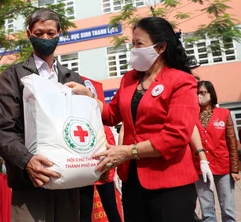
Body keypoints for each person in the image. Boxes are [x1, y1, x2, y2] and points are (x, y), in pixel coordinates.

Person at [67, 16, 200, 222]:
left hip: (170, 183)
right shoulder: (129, 79)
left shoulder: (181, 81)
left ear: (161, 47)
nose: (134, 50)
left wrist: (129, 151)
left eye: (140, 44)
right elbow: (112, 114)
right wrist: (89, 97)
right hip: (133, 181)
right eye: (133, 44)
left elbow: (176, 136)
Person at [0, 8, 88, 222]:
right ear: (29, 34)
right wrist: (27, 162)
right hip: (30, 183)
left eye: (51, 33)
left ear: (59, 33)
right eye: (39, 33)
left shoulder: (73, 79)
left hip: (68, 181)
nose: (45, 38)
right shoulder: (13, 77)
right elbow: (4, 131)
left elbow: (85, 125)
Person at [194, 80, 239, 222]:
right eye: (197, 93)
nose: (199, 96)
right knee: (207, 212)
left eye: (203, 92)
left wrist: (235, 169)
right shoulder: (192, 116)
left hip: (223, 167)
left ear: (211, 94)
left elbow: (231, 142)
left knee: (228, 210)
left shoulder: (224, 113)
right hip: (201, 169)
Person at [79, 126, 122, 222]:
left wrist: (107, 170)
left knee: (111, 210)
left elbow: (110, 150)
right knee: (85, 213)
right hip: (86, 175)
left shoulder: (103, 126)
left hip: (103, 174)